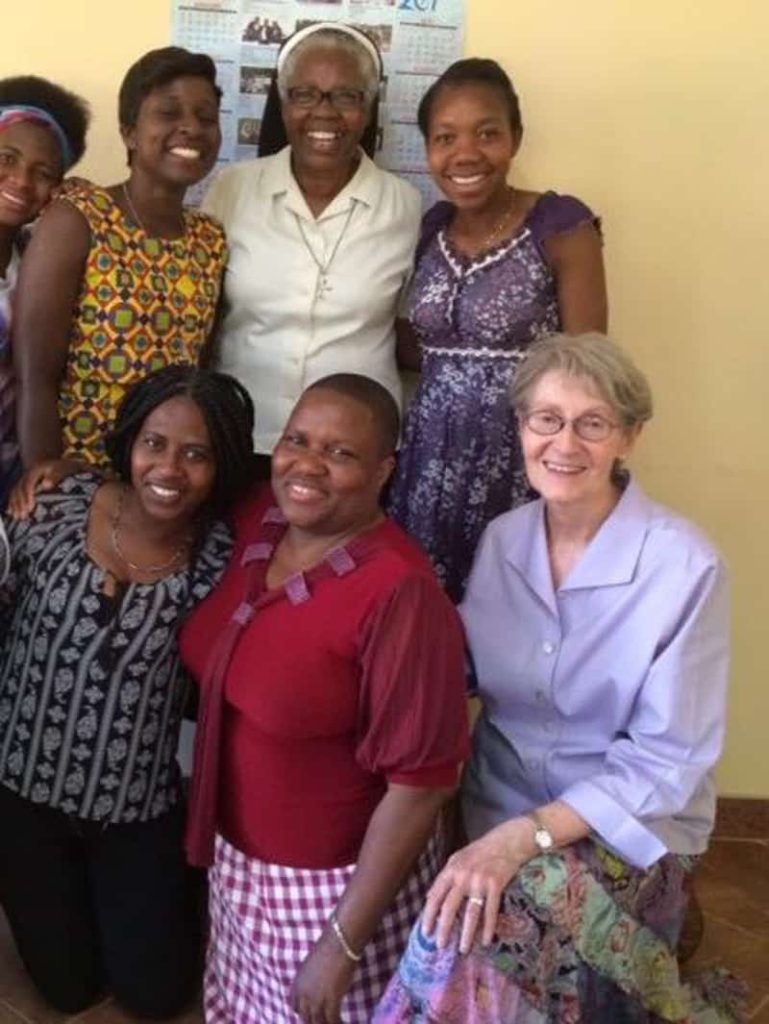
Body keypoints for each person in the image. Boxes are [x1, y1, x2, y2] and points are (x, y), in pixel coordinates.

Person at [375, 334, 743, 1023]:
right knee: (455, 909)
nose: (564, 443)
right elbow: (464, 674)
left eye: (592, 423)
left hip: (625, 832)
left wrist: (521, 839)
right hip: (497, 811)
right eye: (545, 418)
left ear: (629, 437)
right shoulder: (503, 539)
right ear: (520, 427)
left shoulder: (684, 565)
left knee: (478, 934)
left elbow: (665, 763)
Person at [180, 374, 470, 1024]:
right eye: (296, 441)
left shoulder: (399, 593)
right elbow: (165, 481)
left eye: (339, 453)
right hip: (240, 871)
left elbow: (421, 784)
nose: (307, 465)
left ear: (382, 470)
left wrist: (340, 946)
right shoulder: (262, 518)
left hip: (330, 891)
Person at [0, 365, 254, 1017]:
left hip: (135, 810)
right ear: (128, 443)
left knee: (154, 995)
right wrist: (61, 466)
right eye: (154, 443)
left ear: (221, 465)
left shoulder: (220, 559)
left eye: (196, 453)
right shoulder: (51, 506)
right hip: (23, 796)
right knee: (66, 988)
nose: (169, 467)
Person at [389, 59, 607, 602]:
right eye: (445, 137)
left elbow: (591, 366)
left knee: (512, 612)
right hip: (428, 459)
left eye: (487, 133)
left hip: (522, 461)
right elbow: (427, 345)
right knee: (425, 613)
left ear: (515, 138)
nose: (465, 153)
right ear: (428, 148)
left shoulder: (559, 226)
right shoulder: (429, 230)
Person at [203, 23, 421, 472]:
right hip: (241, 432)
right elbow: (203, 318)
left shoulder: (406, 206)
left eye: (346, 96)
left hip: (354, 450)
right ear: (282, 104)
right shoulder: (233, 190)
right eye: (305, 94)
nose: (325, 112)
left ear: (368, 106)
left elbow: (410, 331)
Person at [13, 47, 225, 474]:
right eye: (169, 113)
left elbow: (199, 372)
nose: (191, 128)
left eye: (206, 117)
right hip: (78, 470)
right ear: (129, 132)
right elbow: (35, 377)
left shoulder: (211, 238)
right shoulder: (79, 219)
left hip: (167, 478)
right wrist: (48, 479)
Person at [0, 75, 89, 506]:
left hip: (13, 472)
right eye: (7, 157)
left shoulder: (34, 258)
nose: (20, 181)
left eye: (43, 172)